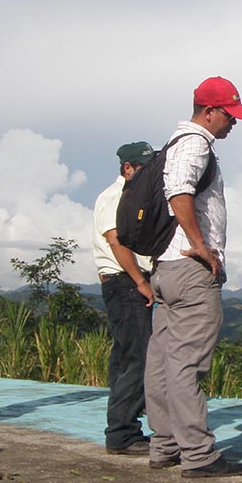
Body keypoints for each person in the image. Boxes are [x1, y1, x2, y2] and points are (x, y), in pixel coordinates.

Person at [144, 76, 242, 478]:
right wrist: (201, 245)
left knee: (162, 359)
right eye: (229, 114)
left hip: (165, 269)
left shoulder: (172, 144)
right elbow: (179, 191)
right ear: (209, 111)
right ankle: (198, 454)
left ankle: (165, 444)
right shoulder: (194, 144)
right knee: (187, 363)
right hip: (190, 270)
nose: (233, 123)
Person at [93, 141, 156, 456]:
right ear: (127, 168)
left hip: (128, 282)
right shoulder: (113, 197)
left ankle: (124, 426)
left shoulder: (132, 197)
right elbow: (116, 242)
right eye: (143, 166)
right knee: (136, 357)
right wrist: (140, 281)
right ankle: (122, 432)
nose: (148, 171)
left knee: (126, 357)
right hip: (125, 282)